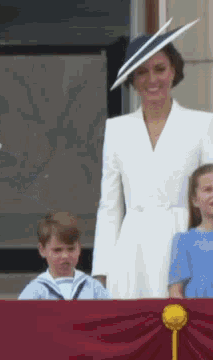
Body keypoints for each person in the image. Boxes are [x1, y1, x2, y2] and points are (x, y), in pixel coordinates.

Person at [91, 18, 213, 299]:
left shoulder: (202, 124)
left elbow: (209, 194)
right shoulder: (117, 129)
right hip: (131, 249)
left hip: (184, 245)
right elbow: (109, 206)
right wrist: (102, 271)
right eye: (142, 72)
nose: (152, 79)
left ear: (174, 71)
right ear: (132, 79)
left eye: (160, 69)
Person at [19, 212, 111, 300]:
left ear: (79, 248)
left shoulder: (94, 288)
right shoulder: (34, 291)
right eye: (57, 250)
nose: (65, 256)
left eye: (71, 249)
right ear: (42, 250)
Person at [168, 164, 213, 298]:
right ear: (194, 200)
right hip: (198, 316)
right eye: (208, 190)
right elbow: (175, 291)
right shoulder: (184, 241)